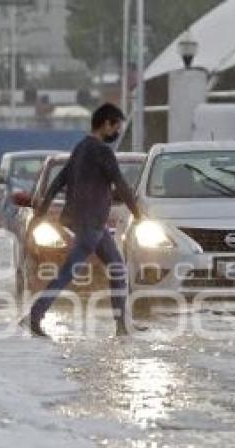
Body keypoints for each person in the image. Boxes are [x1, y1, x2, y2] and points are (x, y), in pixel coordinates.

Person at [24, 103, 143, 338]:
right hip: (92, 224)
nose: (117, 132)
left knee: (117, 269)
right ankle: (35, 316)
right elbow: (120, 183)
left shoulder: (80, 147)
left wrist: (41, 211)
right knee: (67, 272)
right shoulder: (102, 151)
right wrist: (137, 213)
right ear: (106, 124)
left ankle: (122, 325)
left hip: (87, 222)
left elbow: (58, 181)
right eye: (116, 126)